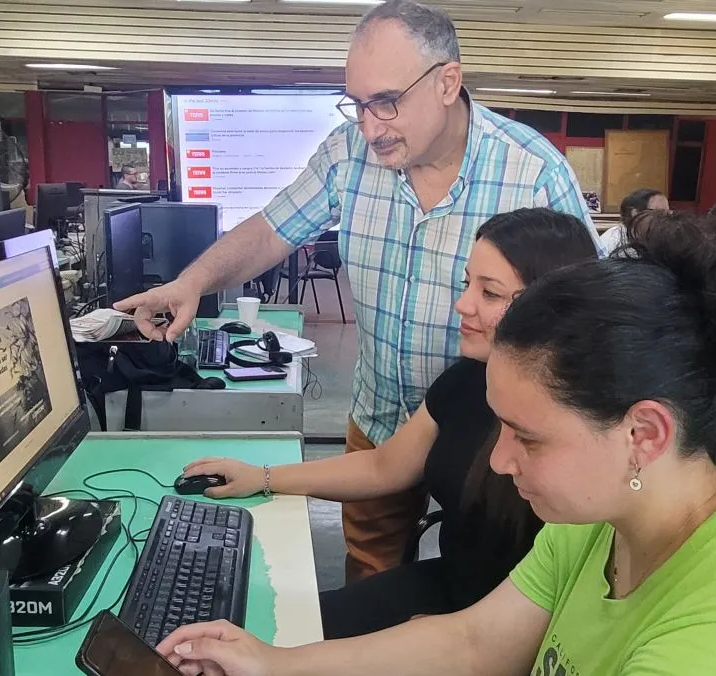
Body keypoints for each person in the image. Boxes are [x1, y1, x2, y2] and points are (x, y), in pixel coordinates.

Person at [156, 214, 716, 676]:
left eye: (528, 437)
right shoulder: (607, 518)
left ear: (643, 435)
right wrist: (276, 663)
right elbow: (477, 643)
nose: (500, 461)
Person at [115, 0, 596, 584]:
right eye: (358, 104)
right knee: (371, 575)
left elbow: (585, 321)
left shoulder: (533, 172)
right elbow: (271, 229)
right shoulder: (348, 153)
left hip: (493, 433)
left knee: (496, 577)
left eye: (387, 102)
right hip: (381, 417)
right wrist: (191, 283)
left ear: (448, 82)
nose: (370, 127)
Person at [182, 208, 597, 639]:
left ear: (550, 306)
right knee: (280, 627)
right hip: (449, 588)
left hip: (516, 626)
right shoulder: (466, 379)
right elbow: (384, 467)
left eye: (489, 293)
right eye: (466, 284)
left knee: (290, 647)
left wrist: (438, 637)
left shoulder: (581, 427)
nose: (462, 304)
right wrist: (262, 477)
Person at [598, 187, 667, 255]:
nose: (665, 218)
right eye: (658, 213)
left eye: (668, 213)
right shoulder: (613, 240)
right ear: (636, 214)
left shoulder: (662, 237)